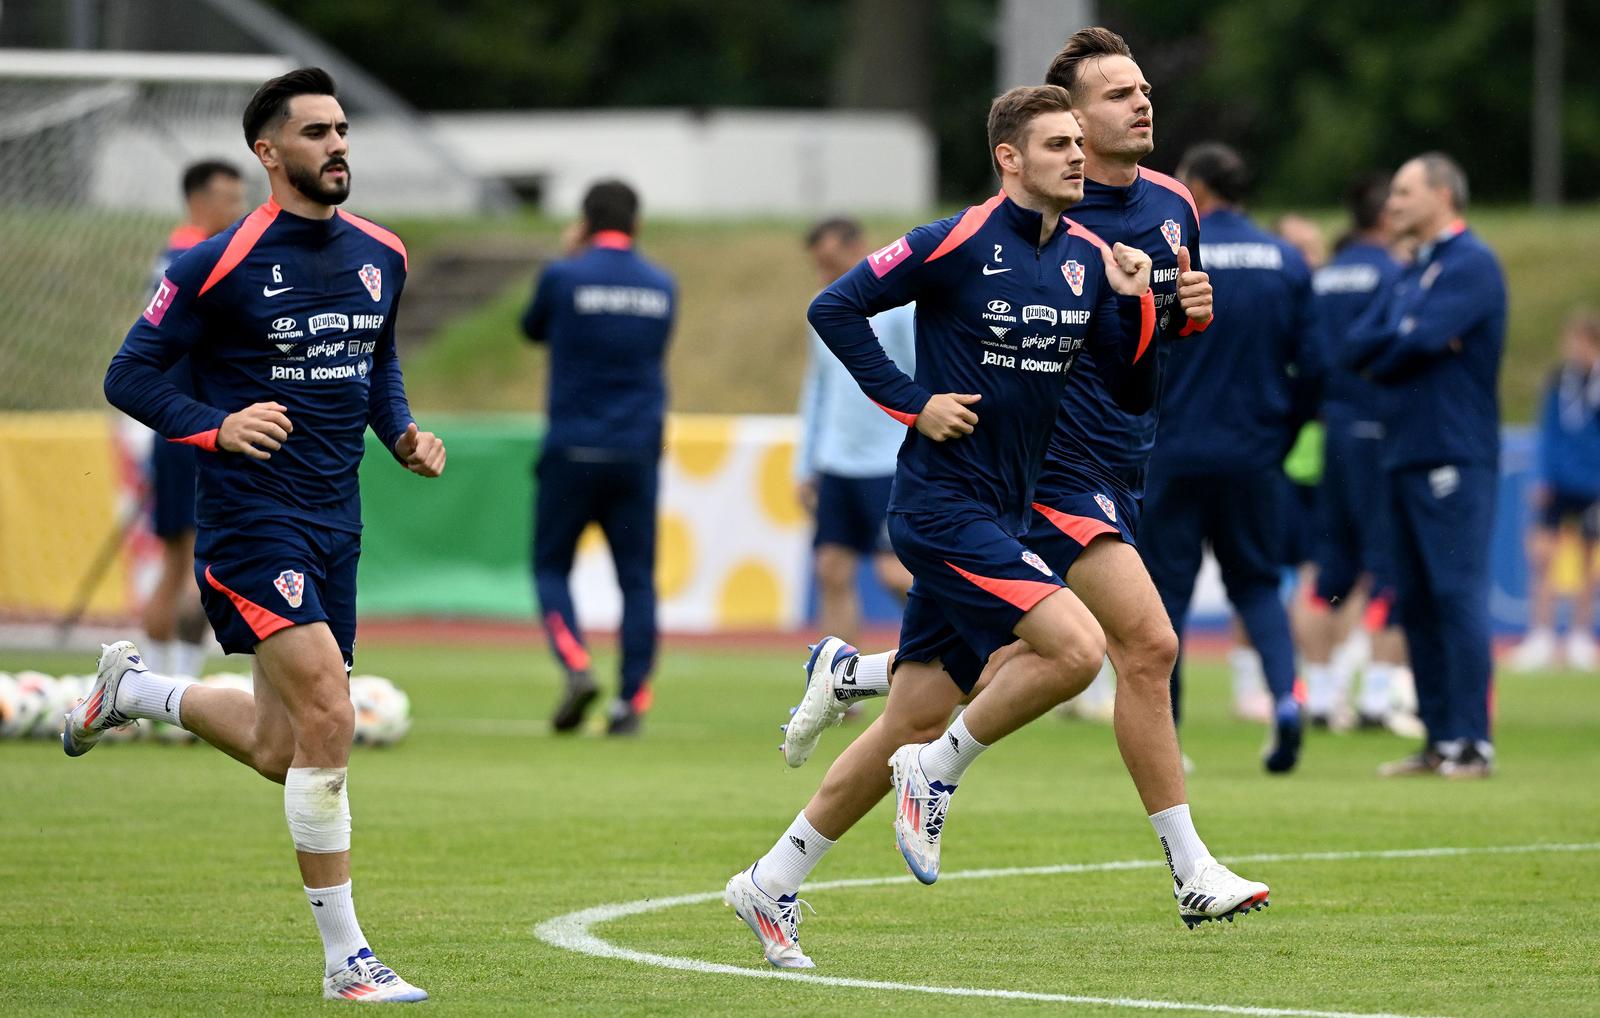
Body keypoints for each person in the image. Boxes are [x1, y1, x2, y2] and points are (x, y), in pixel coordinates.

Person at [726, 84, 1266, 971]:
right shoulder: (957, 239)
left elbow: (1128, 387)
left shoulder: (1091, 256)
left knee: (916, 709)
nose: (1075, 157)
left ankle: (772, 879)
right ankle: (935, 772)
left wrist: (1143, 309)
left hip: (1005, 508)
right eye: (1056, 144)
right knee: (1078, 648)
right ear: (1009, 157)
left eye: (1075, 144)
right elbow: (834, 309)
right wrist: (913, 403)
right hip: (941, 508)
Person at [80, 67, 442, 1003]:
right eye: (317, 132)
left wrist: (398, 431)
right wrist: (216, 425)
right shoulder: (213, 262)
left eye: (343, 129)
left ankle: (140, 689)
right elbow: (129, 375)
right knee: (332, 715)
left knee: (287, 750)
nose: (338, 145)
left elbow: (377, 357)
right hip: (250, 521)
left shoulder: (383, 252)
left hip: (337, 519)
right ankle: (346, 960)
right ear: (268, 152)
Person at [1144, 141, 1316, 773]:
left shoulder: (1175, 253)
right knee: (1259, 585)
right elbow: (1316, 366)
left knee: (1163, 597)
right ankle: (1287, 703)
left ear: (1197, 188)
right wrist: (1282, 433)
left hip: (1173, 451)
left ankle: (1171, 738)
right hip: (1254, 454)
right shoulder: (1287, 260)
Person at [1341, 153, 1507, 779]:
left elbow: (1408, 343)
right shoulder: (1415, 268)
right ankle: (1441, 739)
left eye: (1405, 192)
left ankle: (1473, 742)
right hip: (1404, 451)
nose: (1393, 204)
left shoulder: (1472, 264)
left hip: (1453, 454)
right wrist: (1405, 342)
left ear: (1442, 194)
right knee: (1415, 598)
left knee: (1454, 593)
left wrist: (1403, 342)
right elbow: (1363, 346)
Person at [521, 181, 676, 736]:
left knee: (549, 566)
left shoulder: (564, 276)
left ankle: (577, 664)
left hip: (572, 448)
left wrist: (569, 258)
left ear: (584, 223)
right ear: (637, 222)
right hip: (637, 450)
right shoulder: (662, 285)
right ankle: (632, 700)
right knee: (636, 580)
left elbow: (531, 328)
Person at [1301, 174, 1412, 728]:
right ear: (1388, 217)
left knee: (1330, 571)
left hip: (1333, 427)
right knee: (1391, 566)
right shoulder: (1395, 273)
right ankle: (1376, 697)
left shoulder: (1325, 277)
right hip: (1378, 426)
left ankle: (1319, 695)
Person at [140, 160, 247, 681]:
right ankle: (180, 690)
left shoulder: (168, 256)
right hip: (200, 425)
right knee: (201, 565)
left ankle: (144, 687)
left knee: (174, 564)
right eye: (228, 198)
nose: (237, 210)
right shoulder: (199, 262)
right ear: (198, 201)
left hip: (168, 426)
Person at [795, 217, 914, 648]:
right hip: (837, 465)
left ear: (859, 247)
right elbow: (819, 387)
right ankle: (840, 686)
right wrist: (806, 463)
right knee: (830, 568)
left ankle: (958, 663)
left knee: (897, 575)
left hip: (891, 463)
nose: (826, 274)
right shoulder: (822, 308)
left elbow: (928, 380)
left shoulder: (900, 308)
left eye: (832, 262)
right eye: (820, 266)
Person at [1507, 309, 1600, 671]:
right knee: (1542, 557)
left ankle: (1579, 635)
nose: (1572, 349)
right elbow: (1546, 431)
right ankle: (1541, 634)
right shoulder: (1559, 380)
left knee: (1589, 561)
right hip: (1559, 482)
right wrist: (1541, 476)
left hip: (1593, 483)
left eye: (1579, 341)